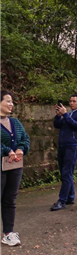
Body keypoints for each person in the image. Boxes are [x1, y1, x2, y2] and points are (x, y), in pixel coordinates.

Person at [1, 91, 30, 246]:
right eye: (8, 101)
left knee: (10, 199)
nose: (11, 104)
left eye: (12, 101)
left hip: (14, 166)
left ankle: (8, 233)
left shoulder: (15, 122)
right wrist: (7, 150)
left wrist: (20, 149)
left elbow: (25, 138)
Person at [51, 94, 77, 211]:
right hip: (62, 145)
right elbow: (57, 125)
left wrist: (65, 114)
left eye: (74, 101)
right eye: (70, 101)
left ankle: (62, 200)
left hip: (72, 146)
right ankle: (70, 197)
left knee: (66, 173)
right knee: (64, 173)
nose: (71, 103)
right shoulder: (67, 114)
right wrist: (58, 116)